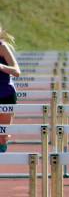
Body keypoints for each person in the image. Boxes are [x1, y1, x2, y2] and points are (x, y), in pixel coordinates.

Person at [0, 24, 20, 152]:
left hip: (5, 94)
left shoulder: (2, 47)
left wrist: (0, 67)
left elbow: (17, 71)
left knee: (2, 137)